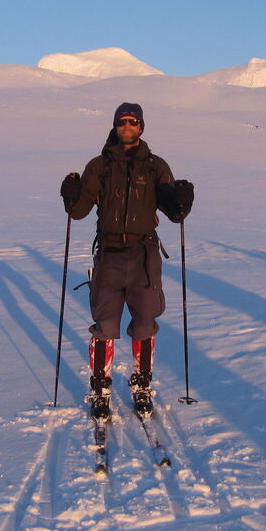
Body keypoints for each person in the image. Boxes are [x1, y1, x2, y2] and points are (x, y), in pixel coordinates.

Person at [60, 102, 194, 421]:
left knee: (145, 323)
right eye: (122, 121)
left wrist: (182, 201)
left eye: (133, 121)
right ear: (115, 125)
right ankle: (101, 387)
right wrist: (70, 195)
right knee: (105, 324)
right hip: (108, 254)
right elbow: (77, 212)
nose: (127, 125)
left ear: (142, 126)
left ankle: (142, 384)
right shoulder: (99, 166)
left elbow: (174, 214)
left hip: (144, 254)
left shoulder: (155, 166)